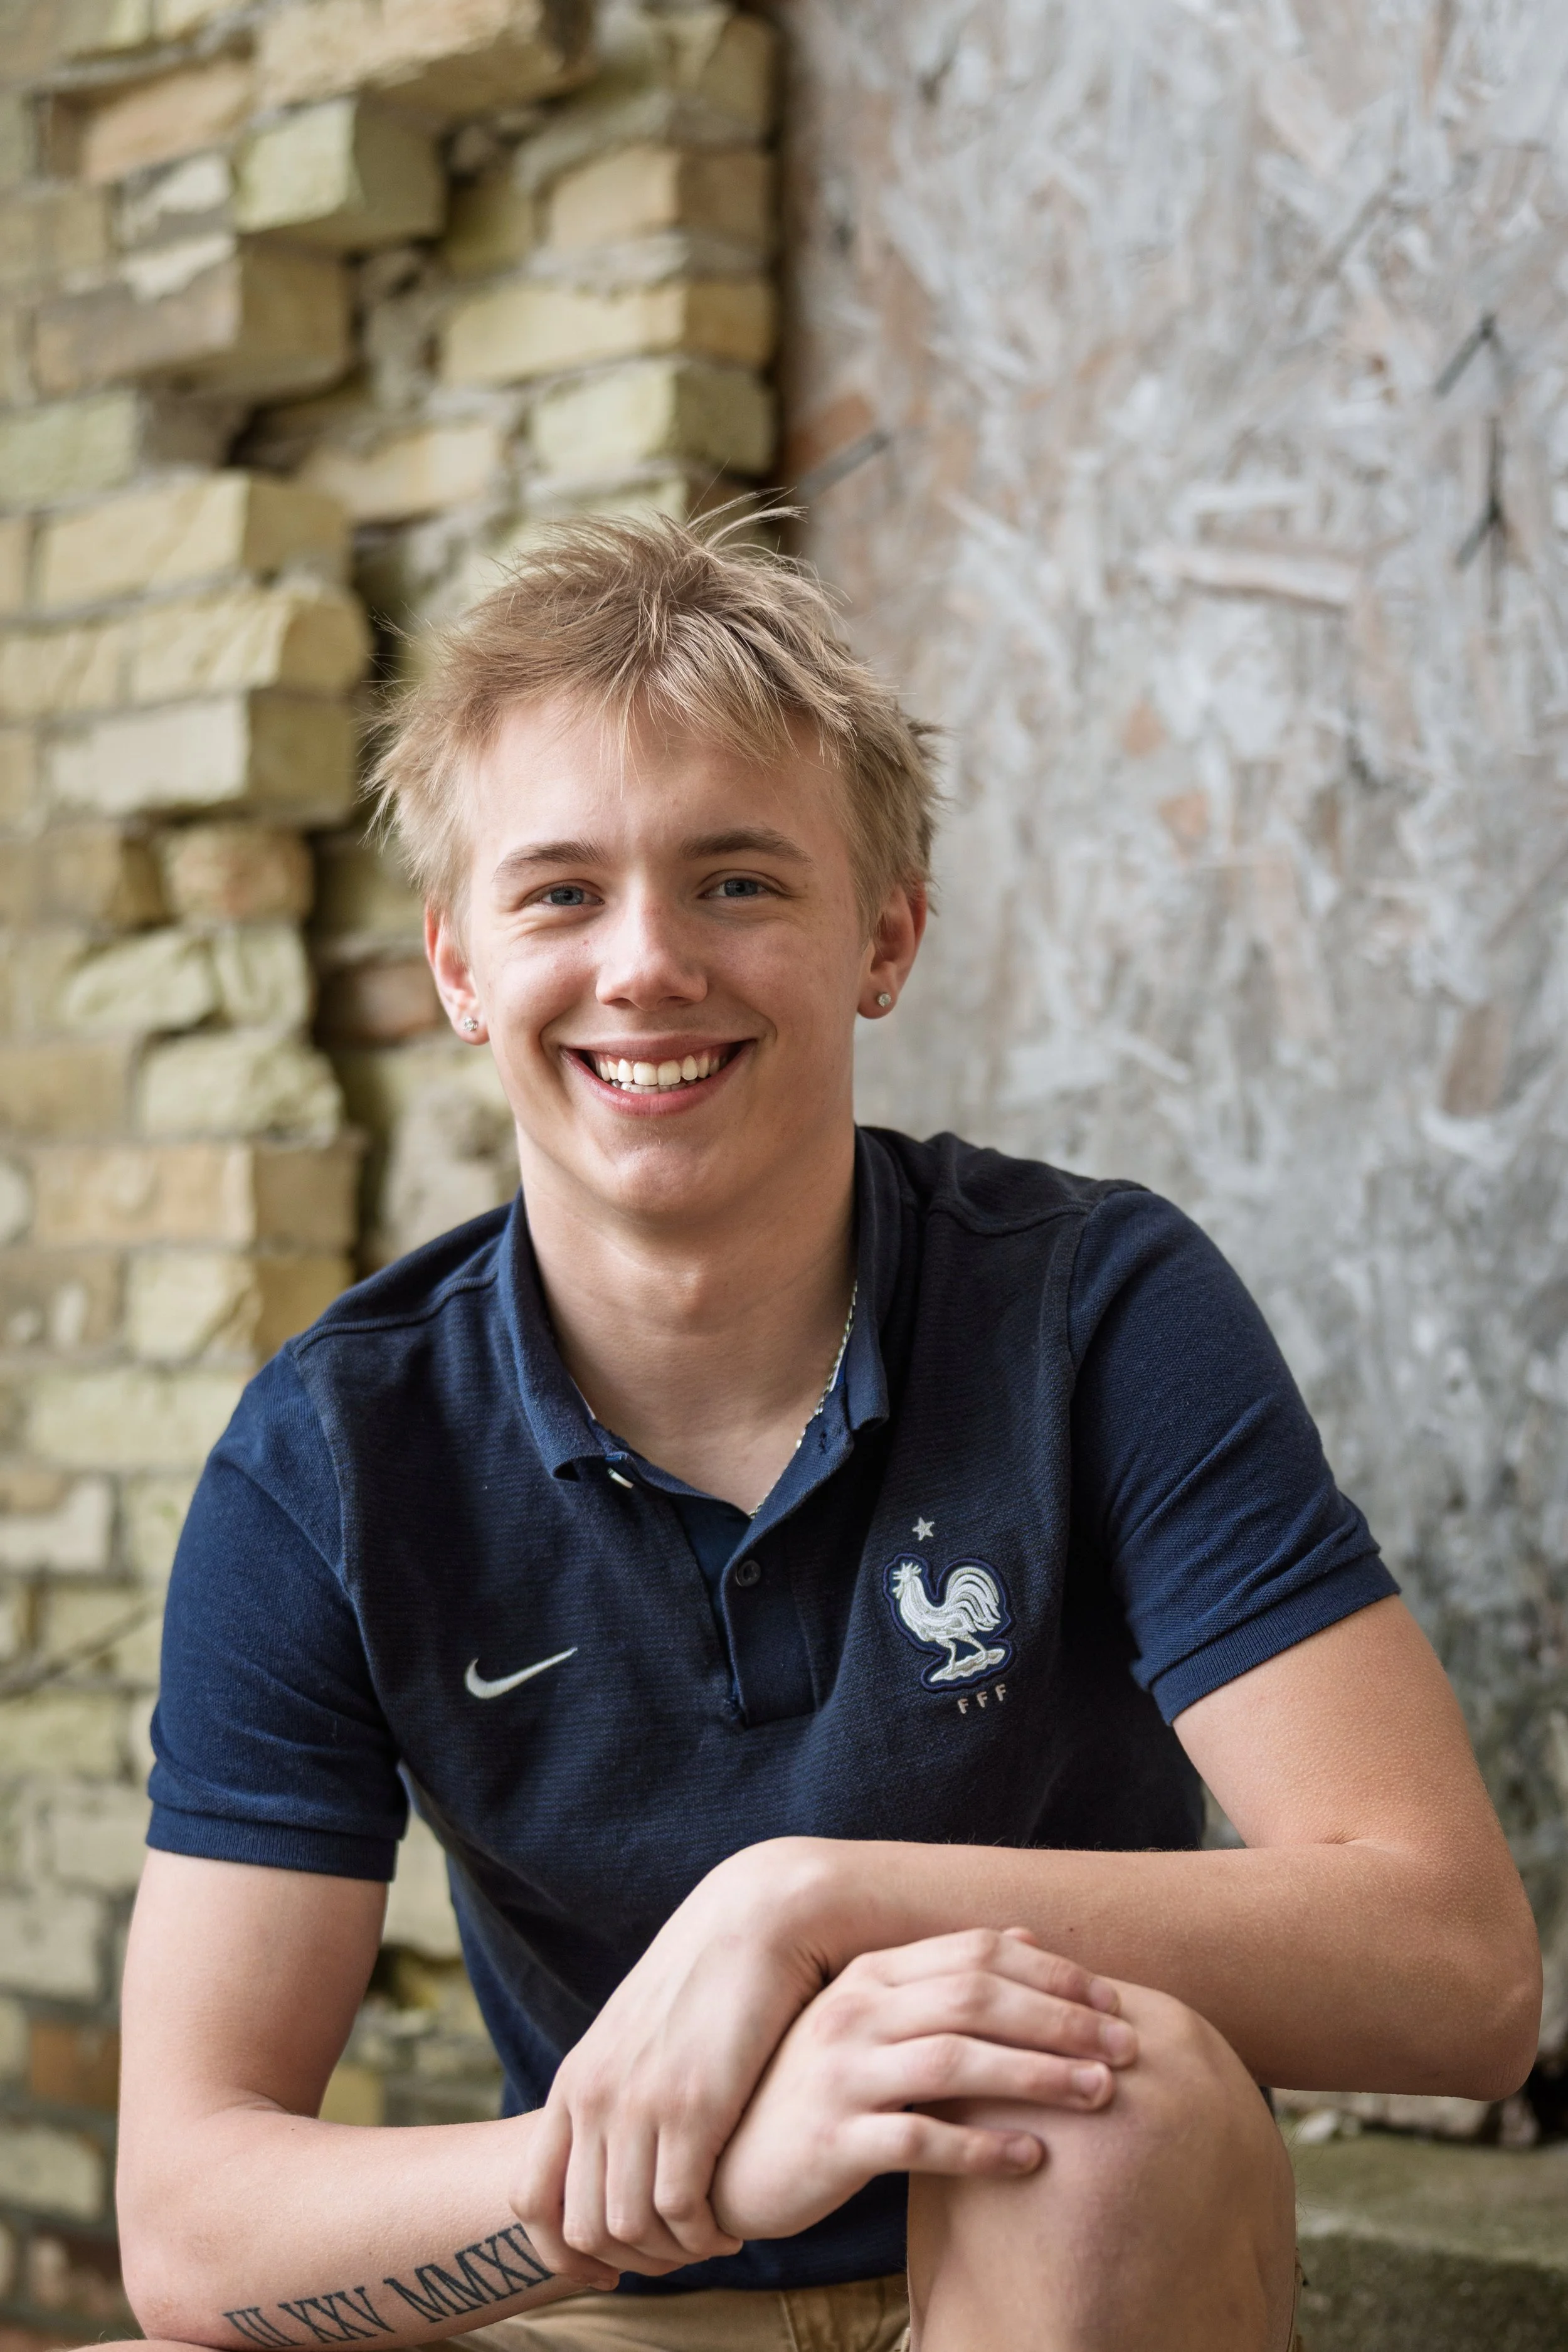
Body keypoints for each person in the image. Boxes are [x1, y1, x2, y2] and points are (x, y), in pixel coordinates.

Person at [113, 516, 1540, 2352]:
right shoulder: (330, 1451)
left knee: (1085, 2098)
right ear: (460, 968)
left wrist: (804, 1907)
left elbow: (1455, 1967)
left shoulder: (1094, 1308)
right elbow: (188, 2213)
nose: (644, 965)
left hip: (1048, 2263)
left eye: (735, 883)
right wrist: (686, 2163)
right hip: (611, 2289)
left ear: (884, 934)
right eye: (559, 893)